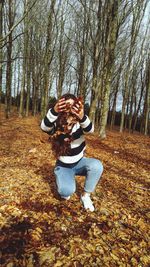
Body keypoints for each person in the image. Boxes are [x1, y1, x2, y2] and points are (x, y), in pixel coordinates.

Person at [41, 93, 103, 212]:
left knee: (96, 166)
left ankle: (85, 196)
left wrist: (82, 116)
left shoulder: (80, 123)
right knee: (65, 193)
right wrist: (54, 111)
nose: (69, 109)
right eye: (66, 105)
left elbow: (90, 130)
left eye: (72, 105)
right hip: (63, 165)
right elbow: (44, 127)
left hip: (79, 162)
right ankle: (63, 177)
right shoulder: (57, 123)